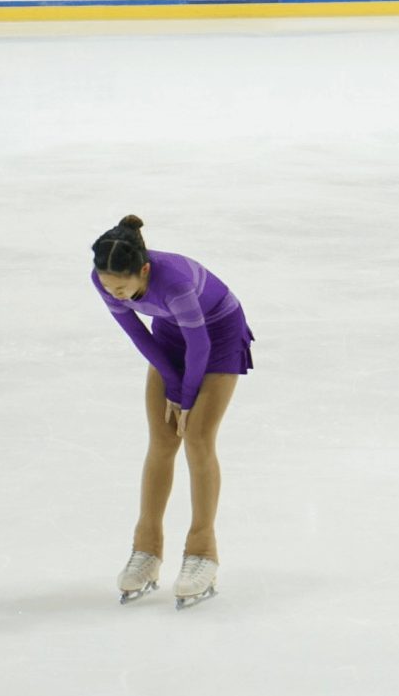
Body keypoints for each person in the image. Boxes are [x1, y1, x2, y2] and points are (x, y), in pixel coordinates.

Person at [91, 215, 253, 609]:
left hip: (217, 335)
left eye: (124, 288)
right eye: (110, 287)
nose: (116, 295)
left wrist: (184, 396)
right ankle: (146, 551)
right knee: (163, 440)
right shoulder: (106, 279)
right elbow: (138, 335)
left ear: (144, 270)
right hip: (171, 333)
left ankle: (203, 553)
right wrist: (172, 384)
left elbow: (199, 347)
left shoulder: (176, 284)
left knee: (197, 438)